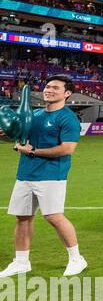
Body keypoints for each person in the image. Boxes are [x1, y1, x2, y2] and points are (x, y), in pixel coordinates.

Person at [2, 77, 87, 278]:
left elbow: (67, 149)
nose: (49, 90)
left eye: (56, 88)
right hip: (25, 174)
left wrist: (33, 152)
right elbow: (18, 137)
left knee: (53, 216)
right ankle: (21, 262)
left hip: (51, 175)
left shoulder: (67, 118)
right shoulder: (35, 115)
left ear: (67, 93)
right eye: (48, 87)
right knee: (22, 218)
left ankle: (76, 258)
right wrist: (7, 134)